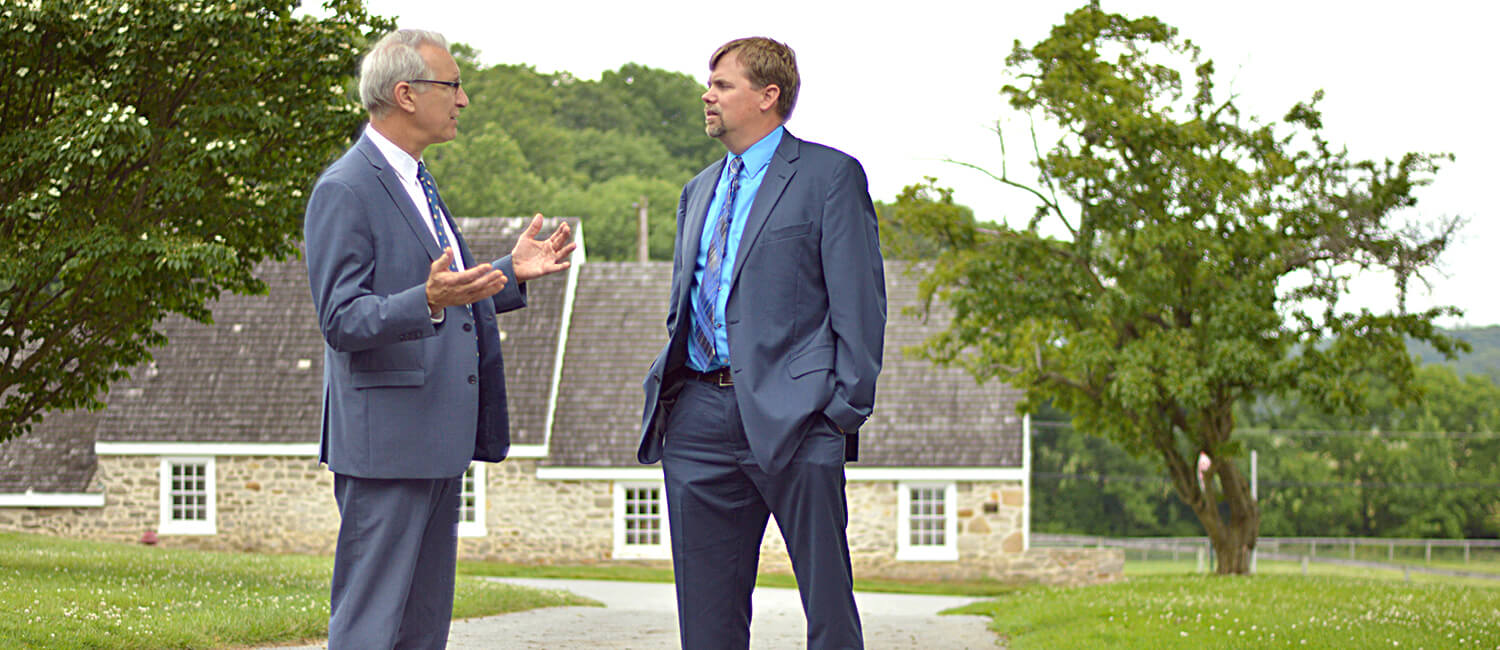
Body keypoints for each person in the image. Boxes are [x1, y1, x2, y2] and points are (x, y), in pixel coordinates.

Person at [303, 29, 573, 649]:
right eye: (452, 86)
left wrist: (511, 271)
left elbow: (448, 287)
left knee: (423, 628)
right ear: (404, 94)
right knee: (371, 624)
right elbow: (342, 319)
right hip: (386, 445)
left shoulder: (416, 181)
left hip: (434, 439)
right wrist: (425, 300)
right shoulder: (345, 188)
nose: (464, 99)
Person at [637, 36, 886, 649]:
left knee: (828, 610)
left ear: (768, 95)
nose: (708, 94)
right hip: (696, 419)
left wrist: (840, 411)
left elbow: (860, 304)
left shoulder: (829, 176)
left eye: (723, 84)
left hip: (798, 420)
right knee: (707, 621)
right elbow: (686, 305)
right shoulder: (697, 192)